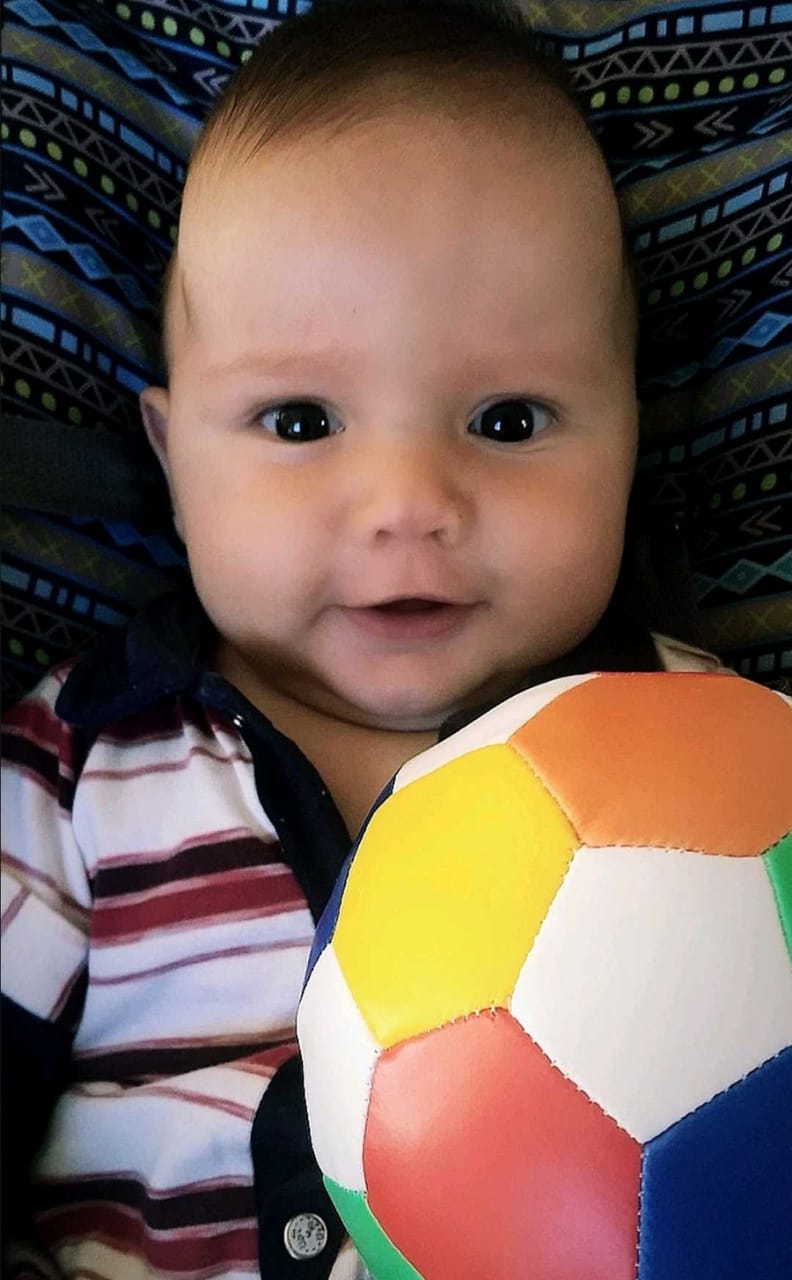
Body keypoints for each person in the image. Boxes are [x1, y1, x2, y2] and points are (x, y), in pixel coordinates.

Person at [0, 1, 722, 1277]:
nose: (406, 504)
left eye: (508, 421)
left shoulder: (708, 756)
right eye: (298, 422)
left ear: (632, 435)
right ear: (173, 461)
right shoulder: (80, 763)